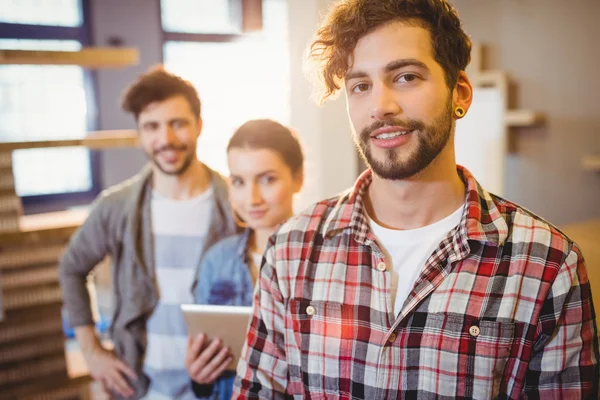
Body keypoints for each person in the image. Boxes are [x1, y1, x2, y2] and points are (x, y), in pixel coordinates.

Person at [233, 0, 600, 398]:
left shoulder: (546, 264)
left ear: (459, 92)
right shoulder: (292, 249)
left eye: (406, 77)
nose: (380, 106)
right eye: (360, 86)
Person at [59, 66, 238, 399]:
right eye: (152, 127)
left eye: (178, 124)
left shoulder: (234, 204)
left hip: (220, 386)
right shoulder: (117, 206)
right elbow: (71, 268)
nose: (165, 139)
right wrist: (91, 351)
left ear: (199, 126)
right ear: (140, 134)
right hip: (141, 387)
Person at [183, 119, 304, 400]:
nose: (252, 198)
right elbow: (207, 376)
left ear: (298, 178)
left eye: (267, 179)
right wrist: (199, 378)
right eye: (238, 181)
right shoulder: (216, 260)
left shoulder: (325, 261)